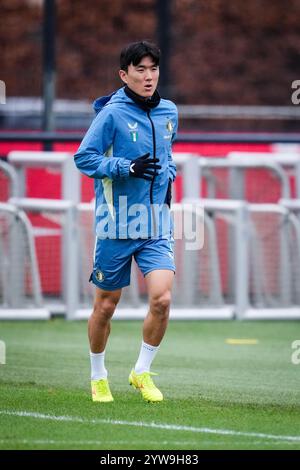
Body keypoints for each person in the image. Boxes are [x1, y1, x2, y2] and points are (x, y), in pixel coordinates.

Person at [74, 40, 178, 403]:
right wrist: (125, 167)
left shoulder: (169, 112)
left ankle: (142, 372)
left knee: (162, 300)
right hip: (117, 225)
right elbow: (83, 158)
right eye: (140, 70)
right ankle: (98, 376)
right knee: (106, 305)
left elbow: (167, 156)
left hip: (155, 225)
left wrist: (169, 180)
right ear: (124, 74)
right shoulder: (111, 115)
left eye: (153, 69)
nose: (148, 76)